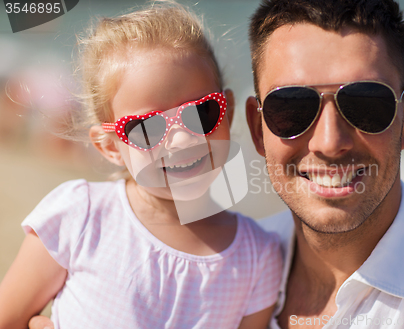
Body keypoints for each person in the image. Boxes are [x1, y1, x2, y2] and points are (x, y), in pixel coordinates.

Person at [0, 2, 282, 329]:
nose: (181, 141)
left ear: (228, 111)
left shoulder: (256, 257)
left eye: (201, 113)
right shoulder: (81, 217)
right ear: (109, 148)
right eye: (147, 129)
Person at [244, 0, 404, 328]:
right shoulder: (226, 272)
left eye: (365, 104)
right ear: (257, 128)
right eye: (291, 107)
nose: (330, 142)